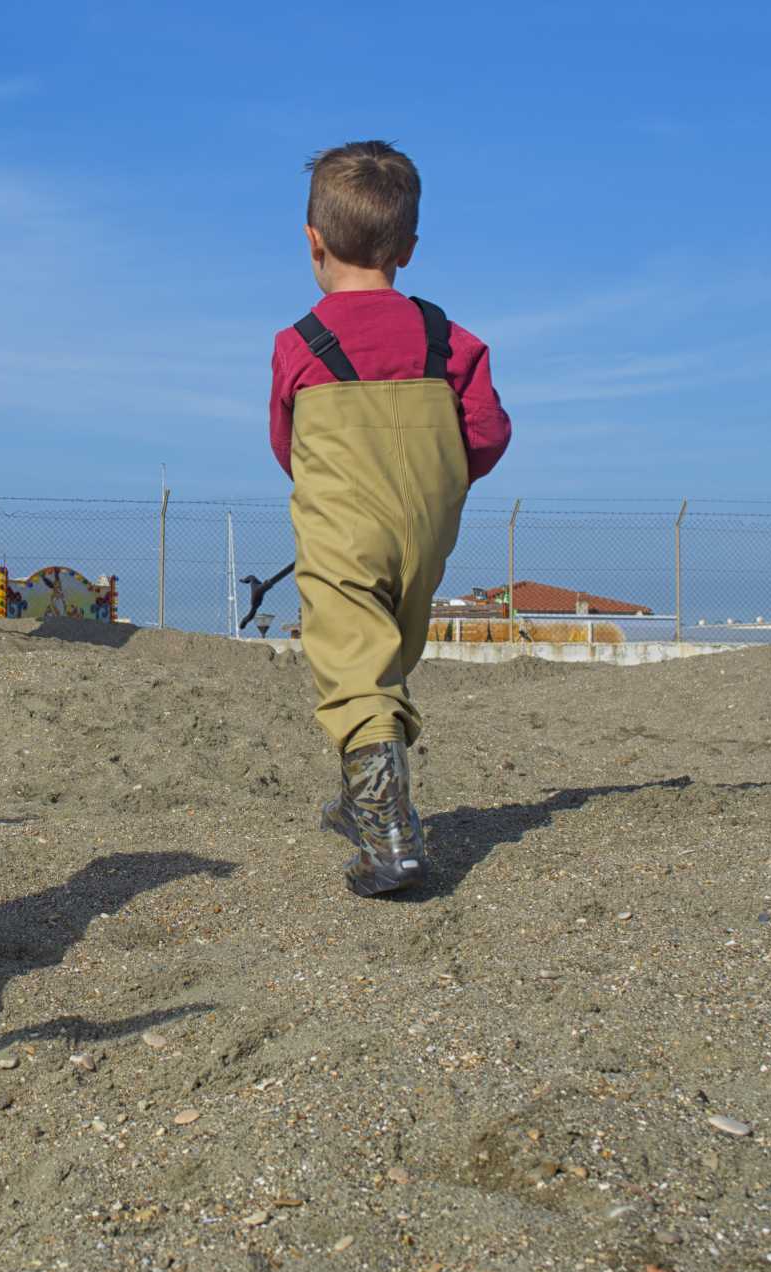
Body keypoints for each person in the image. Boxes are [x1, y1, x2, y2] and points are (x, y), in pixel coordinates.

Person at [270, 140, 511, 898]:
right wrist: (434, 481)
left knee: (351, 666)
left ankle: (390, 838)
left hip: (343, 519)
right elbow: (488, 432)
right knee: (385, 655)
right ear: (407, 249)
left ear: (312, 240)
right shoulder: (451, 340)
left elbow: (288, 442)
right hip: (428, 523)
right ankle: (360, 797)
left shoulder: (299, 344)